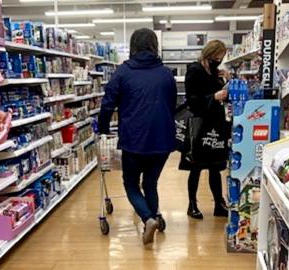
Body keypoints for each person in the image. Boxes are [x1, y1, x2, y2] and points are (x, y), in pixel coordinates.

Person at [98, 28, 177, 245]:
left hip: (134, 140)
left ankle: (148, 218)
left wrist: (103, 129)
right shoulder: (166, 73)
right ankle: (151, 218)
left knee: (131, 184)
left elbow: (107, 104)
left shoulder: (123, 72)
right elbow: (173, 105)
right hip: (162, 140)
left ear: (133, 46)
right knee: (150, 183)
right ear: (154, 45)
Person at [180, 40, 231, 219]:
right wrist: (213, 96)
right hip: (199, 125)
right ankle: (192, 204)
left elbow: (226, 97)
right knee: (196, 166)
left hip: (216, 124)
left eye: (222, 57)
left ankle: (219, 203)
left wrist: (228, 81)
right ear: (209, 54)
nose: (219, 60)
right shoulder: (194, 71)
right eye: (218, 56)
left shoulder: (216, 73)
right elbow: (192, 100)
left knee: (215, 167)